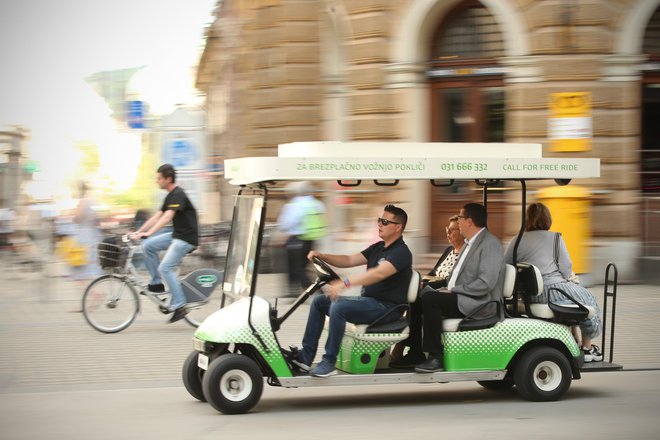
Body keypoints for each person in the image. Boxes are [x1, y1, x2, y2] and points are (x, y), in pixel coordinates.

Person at [291, 204, 413, 377]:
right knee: (320, 302)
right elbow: (348, 260)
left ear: (398, 227)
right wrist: (323, 256)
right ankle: (305, 357)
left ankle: (329, 362)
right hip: (370, 304)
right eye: (379, 220)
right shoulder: (378, 247)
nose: (379, 224)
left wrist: (344, 283)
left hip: (387, 309)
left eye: (385, 222)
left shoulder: (402, 253)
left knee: (339, 307)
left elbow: (378, 274)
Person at [504, 202, 603, 362]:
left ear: (527, 219)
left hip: (529, 295)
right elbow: (566, 268)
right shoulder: (555, 238)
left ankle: (574, 342)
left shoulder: (517, 239)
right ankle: (587, 348)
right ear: (547, 219)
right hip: (552, 290)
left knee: (574, 296)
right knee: (588, 298)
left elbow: (507, 264)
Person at [415, 203, 505, 373]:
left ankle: (435, 356)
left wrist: (453, 290)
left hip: (479, 303)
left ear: (469, 221)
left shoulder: (490, 244)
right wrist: (428, 286)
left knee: (431, 299)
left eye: (460, 218)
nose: (458, 221)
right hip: (462, 295)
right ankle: (414, 351)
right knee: (417, 296)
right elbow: (452, 278)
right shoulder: (469, 243)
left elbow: (485, 283)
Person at [390, 215, 463, 368]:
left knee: (421, 299)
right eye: (447, 230)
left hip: (447, 293)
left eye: (452, 230)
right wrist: (422, 282)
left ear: (462, 231)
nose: (448, 233)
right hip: (434, 289)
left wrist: (428, 286)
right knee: (412, 298)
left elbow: (449, 280)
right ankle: (413, 350)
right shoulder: (449, 250)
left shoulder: (465, 254)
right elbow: (434, 272)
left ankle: (409, 347)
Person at [133, 164, 199, 323]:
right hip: (177, 234)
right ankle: (156, 284)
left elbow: (167, 217)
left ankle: (180, 305)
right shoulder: (169, 196)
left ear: (168, 179)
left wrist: (149, 233)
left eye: (159, 178)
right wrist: (138, 232)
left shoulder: (178, 194)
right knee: (147, 245)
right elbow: (157, 216)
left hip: (186, 238)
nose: (157, 181)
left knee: (165, 267)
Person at [276, 181, 327, 295]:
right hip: (312, 239)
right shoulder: (317, 203)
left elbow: (286, 224)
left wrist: (283, 233)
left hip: (296, 239)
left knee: (297, 269)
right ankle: (300, 291)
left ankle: (316, 291)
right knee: (303, 268)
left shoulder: (294, 205)